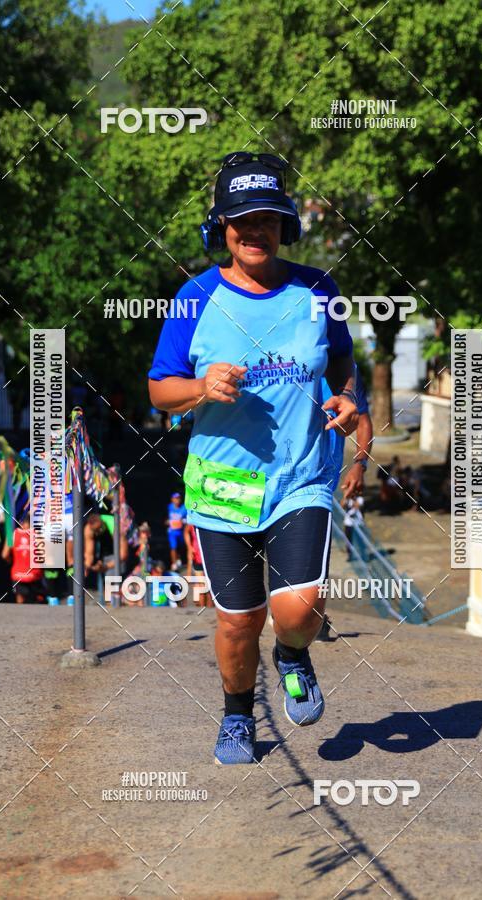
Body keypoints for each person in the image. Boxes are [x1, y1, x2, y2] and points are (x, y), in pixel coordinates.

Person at [148, 150, 372, 765]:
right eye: (241, 219)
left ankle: (295, 652)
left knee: (297, 609)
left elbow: (345, 365)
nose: (254, 231)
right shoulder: (193, 299)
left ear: (285, 226)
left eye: (268, 219)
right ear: (220, 226)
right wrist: (199, 389)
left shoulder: (317, 289)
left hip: (301, 475)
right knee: (238, 622)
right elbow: (159, 391)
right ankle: (238, 717)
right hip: (224, 483)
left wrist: (350, 400)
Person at [1, 513, 46, 603]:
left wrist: (12, 561)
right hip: (34, 575)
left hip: (18, 575)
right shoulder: (37, 535)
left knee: (20, 602)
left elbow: (4, 555)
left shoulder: (13, 535)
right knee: (36, 602)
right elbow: (43, 556)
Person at [185, 522, 213, 607]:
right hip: (197, 556)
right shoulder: (194, 520)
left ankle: (209, 610)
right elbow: (186, 532)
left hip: (209, 556)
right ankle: (202, 610)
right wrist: (189, 547)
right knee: (202, 585)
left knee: (209, 587)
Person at [165, 492, 187, 570]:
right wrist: (168, 521)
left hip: (180, 531)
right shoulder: (170, 507)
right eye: (175, 498)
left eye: (178, 498)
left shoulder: (184, 508)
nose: (177, 500)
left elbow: (188, 519)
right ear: (172, 499)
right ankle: (174, 563)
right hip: (172, 532)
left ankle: (179, 560)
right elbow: (167, 518)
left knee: (180, 546)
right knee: (173, 547)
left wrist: (183, 521)